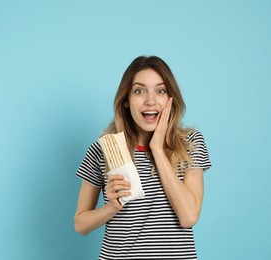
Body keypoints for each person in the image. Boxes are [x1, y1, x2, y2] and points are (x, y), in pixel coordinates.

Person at [74, 56, 212, 259]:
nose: (150, 100)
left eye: (160, 90)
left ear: (170, 98)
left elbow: (189, 216)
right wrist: (111, 207)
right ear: (127, 101)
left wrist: (156, 148)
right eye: (139, 91)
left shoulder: (190, 143)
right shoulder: (102, 150)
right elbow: (81, 224)